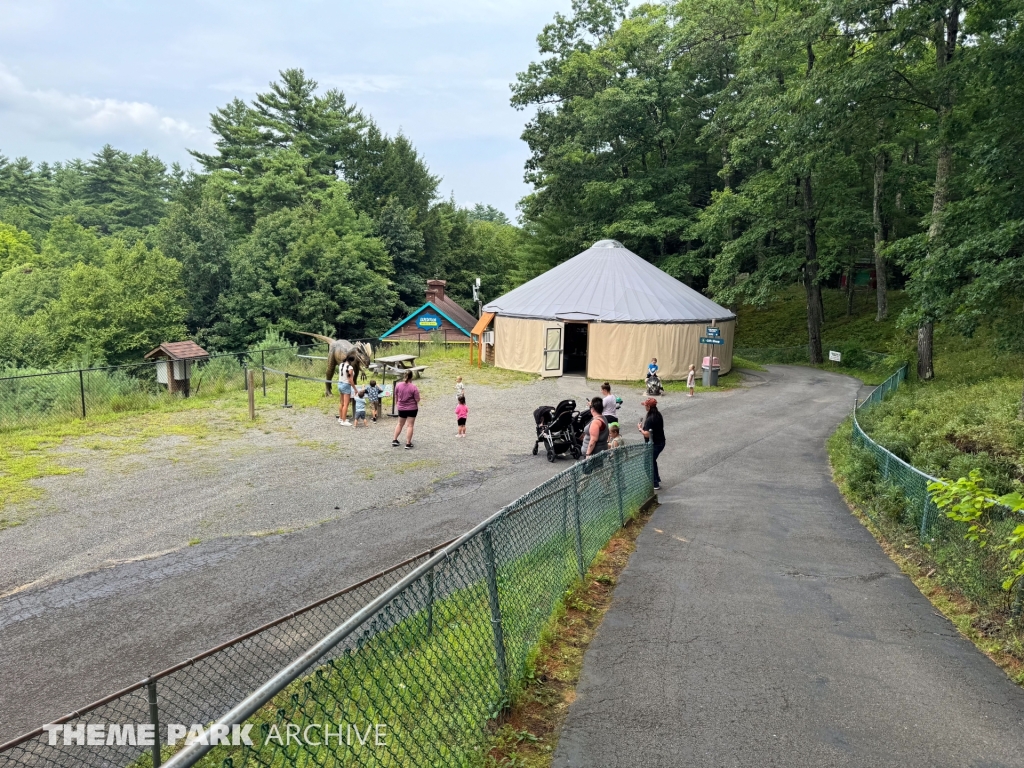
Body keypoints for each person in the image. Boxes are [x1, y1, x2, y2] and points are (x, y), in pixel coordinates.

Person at [638, 398, 665, 490]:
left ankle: (654, 483)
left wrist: (640, 429)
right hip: (661, 441)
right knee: (652, 460)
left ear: (649, 406)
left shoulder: (650, 419)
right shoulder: (658, 415)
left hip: (654, 444)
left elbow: (647, 434)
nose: (645, 407)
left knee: (648, 462)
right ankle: (656, 478)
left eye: (645, 405)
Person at [392, 370, 420, 449]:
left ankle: (395, 440)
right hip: (412, 408)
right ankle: (408, 443)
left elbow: (396, 396)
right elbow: (417, 399)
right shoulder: (413, 387)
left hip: (401, 408)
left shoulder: (398, 385)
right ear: (412, 377)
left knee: (400, 424)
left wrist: (397, 404)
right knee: (410, 425)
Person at [337, 356, 356, 426]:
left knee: (341, 403)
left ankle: (341, 417)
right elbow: (350, 380)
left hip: (340, 384)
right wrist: (355, 389)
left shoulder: (341, 365)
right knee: (346, 404)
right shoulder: (350, 368)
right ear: (351, 361)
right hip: (346, 385)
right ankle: (344, 421)